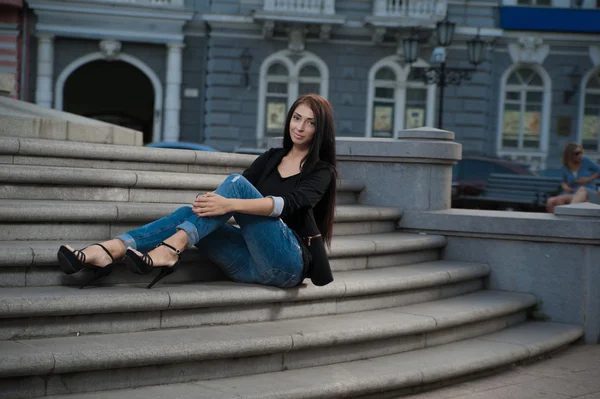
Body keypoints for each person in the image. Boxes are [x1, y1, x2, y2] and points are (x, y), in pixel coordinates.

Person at [57, 94, 337, 289]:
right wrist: (216, 205)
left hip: (287, 265)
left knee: (236, 185)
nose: (300, 127)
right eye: (296, 118)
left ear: (320, 129)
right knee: (186, 214)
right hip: (249, 266)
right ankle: (109, 250)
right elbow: (228, 199)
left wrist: (229, 205)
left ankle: (171, 248)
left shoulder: (322, 170)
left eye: (310, 122)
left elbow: (289, 204)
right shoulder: (272, 157)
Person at [546, 143, 600, 213]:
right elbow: (563, 181)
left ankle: (569, 215)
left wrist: (588, 179)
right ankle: (557, 222)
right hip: (572, 192)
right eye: (577, 153)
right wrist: (565, 186)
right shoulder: (565, 167)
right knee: (550, 201)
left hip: (586, 193)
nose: (580, 155)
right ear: (570, 154)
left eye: (581, 152)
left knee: (579, 191)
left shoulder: (585, 161)